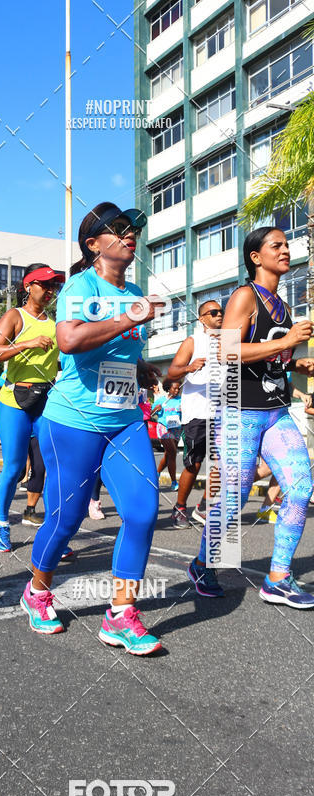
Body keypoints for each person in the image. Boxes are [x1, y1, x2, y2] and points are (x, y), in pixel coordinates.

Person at [22, 201, 164, 655]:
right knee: (67, 517)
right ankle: (38, 590)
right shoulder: (79, 287)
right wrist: (130, 318)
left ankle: (121, 615)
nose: (129, 235)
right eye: (118, 229)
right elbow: (70, 340)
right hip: (74, 421)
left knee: (142, 512)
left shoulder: (136, 287)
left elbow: (117, 350)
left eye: (132, 230)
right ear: (93, 243)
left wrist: (140, 366)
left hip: (124, 421)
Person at [187, 226, 314, 608]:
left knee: (301, 486)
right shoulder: (246, 296)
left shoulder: (283, 306)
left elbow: (272, 359)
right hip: (239, 411)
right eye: (277, 245)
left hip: (276, 412)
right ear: (256, 257)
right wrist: (286, 342)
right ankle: (201, 563)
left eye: (287, 245)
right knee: (234, 495)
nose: (286, 250)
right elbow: (226, 352)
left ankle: (278, 577)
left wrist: (297, 364)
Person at [0, 263, 64, 552]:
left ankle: (55, 532)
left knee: (53, 466)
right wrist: (26, 343)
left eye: (53, 286)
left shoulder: (55, 323)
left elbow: (58, 362)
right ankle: (2, 525)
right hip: (14, 401)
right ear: (28, 286)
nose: (50, 290)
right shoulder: (14, 316)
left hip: (46, 399)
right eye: (44, 284)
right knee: (15, 468)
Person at [168, 300, 223, 528]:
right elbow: (172, 371)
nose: (219, 315)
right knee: (195, 463)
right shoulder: (193, 341)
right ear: (202, 319)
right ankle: (180, 506)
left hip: (223, 411)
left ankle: (203, 507)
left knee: (224, 464)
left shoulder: (231, 341)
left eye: (221, 311)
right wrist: (188, 368)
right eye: (213, 312)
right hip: (198, 412)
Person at [152, 379, 182, 490]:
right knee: (172, 453)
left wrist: (184, 410)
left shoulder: (181, 400)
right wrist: (156, 409)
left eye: (178, 388)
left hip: (176, 429)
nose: (177, 390)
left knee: (168, 454)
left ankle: (157, 473)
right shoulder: (161, 400)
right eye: (174, 388)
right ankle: (174, 482)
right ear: (168, 388)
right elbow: (151, 413)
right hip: (163, 428)